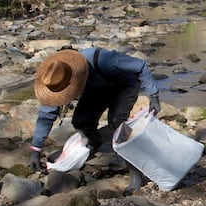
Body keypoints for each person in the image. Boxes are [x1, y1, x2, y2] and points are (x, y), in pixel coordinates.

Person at [29, 47, 161, 195]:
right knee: (81, 121)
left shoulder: (101, 59)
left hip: (123, 84)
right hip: (95, 89)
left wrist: (153, 96)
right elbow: (46, 115)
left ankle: (136, 173)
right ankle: (94, 144)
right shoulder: (55, 82)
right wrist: (36, 149)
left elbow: (140, 66)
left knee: (118, 127)